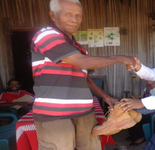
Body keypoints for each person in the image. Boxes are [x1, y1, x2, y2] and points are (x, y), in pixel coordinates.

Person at [30, 0, 135, 150]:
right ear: (53, 16)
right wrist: (121, 58)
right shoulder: (46, 35)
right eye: (68, 14)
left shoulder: (78, 47)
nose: (74, 19)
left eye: (78, 15)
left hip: (84, 112)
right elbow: (81, 62)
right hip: (54, 114)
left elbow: (84, 77)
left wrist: (105, 96)